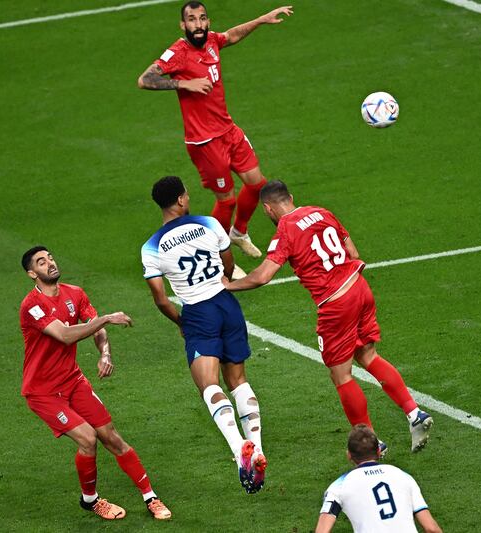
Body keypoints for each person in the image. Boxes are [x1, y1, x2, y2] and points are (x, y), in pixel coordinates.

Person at [222, 180, 433, 454]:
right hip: (359, 287)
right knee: (368, 355)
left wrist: (229, 286)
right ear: (291, 197)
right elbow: (353, 253)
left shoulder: (285, 229)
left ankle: (371, 442)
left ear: (267, 209)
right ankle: (414, 413)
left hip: (336, 304)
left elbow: (262, 276)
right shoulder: (322, 212)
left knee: (341, 375)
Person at [19, 246, 171, 521]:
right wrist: (106, 318)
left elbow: (96, 329)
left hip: (73, 381)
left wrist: (105, 353)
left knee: (111, 437)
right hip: (43, 392)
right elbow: (64, 335)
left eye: (50, 257)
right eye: (41, 262)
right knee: (88, 438)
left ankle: (151, 497)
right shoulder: (32, 305)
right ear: (32, 274)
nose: (50, 263)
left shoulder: (74, 294)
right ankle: (91, 500)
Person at [137, 1, 293, 260]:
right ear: (183, 24)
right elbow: (145, 80)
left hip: (228, 130)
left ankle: (239, 233)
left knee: (257, 185)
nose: (198, 25)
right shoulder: (178, 52)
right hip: (205, 141)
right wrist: (184, 83)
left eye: (202, 19)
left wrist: (261, 19)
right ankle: (216, 255)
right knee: (227, 200)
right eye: (192, 20)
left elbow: (230, 36)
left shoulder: (211, 41)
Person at [141, 175, 267, 493]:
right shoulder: (210, 223)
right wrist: (221, 282)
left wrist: (182, 323)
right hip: (227, 304)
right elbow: (228, 262)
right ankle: (258, 448)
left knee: (208, 384)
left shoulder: (151, 247)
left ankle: (240, 450)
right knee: (238, 380)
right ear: (181, 200)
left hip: (198, 312)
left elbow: (159, 297)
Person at [315, 425, 442, 533]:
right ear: (379, 451)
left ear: (349, 455)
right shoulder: (403, 476)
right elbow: (431, 529)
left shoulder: (338, 486)